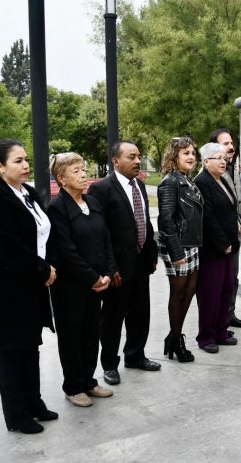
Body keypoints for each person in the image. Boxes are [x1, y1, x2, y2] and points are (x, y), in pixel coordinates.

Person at [0, 139, 57, 434]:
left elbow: (42, 235)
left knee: (30, 346)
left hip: (31, 284)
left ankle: (34, 403)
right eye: (17, 161)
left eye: (26, 160)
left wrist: (46, 268)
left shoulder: (29, 193)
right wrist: (43, 270)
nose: (25, 165)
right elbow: (7, 246)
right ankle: (16, 415)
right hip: (6, 288)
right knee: (12, 351)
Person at [87, 141, 160, 387]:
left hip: (141, 262)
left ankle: (135, 355)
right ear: (116, 161)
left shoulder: (139, 184)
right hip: (117, 268)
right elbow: (100, 232)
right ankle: (109, 364)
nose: (138, 161)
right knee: (112, 318)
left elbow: (145, 223)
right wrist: (110, 268)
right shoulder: (102, 189)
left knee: (141, 313)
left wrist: (152, 255)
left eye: (139, 156)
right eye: (132, 156)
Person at [48, 152, 115, 408]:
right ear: (61, 179)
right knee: (71, 336)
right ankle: (73, 386)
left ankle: (88, 380)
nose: (83, 174)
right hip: (71, 287)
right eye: (76, 171)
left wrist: (108, 272)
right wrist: (92, 277)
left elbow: (106, 239)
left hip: (96, 283)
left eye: (83, 169)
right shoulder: (56, 208)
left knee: (90, 333)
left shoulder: (92, 202)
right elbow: (67, 250)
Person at [157, 137, 203, 362]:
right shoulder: (169, 181)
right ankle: (176, 340)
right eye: (186, 153)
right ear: (174, 156)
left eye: (193, 153)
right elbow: (165, 220)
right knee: (178, 293)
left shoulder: (187, 180)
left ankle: (173, 335)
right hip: (177, 246)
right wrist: (176, 252)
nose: (191, 157)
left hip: (191, 244)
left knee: (190, 290)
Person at [194, 143, 241, 353]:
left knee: (225, 289)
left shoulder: (222, 179)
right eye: (218, 158)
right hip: (213, 249)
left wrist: (239, 223)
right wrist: (223, 243)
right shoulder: (201, 182)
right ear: (206, 162)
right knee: (210, 294)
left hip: (229, 246)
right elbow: (208, 217)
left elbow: (231, 209)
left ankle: (221, 331)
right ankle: (206, 337)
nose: (223, 161)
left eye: (224, 158)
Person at [208, 128, 241, 329]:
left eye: (232, 143)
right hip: (219, 241)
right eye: (226, 144)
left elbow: (238, 203)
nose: (231, 147)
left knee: (232, 278)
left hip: (235, 236)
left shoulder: (234, 169)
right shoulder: (210, 176)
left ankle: (229, 315)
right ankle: (218, 322)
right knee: (220, 282)